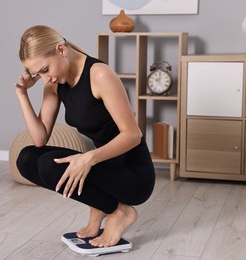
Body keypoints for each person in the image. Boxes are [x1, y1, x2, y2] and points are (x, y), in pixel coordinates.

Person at [15, 25, 155, 248]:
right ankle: (101, 208)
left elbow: (133, 135)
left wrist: (88, 158)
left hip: (133, 174)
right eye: (37, 74)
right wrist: (22, 94)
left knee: (50, 166)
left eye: (44, 69)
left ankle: (120, 212)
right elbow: (39, 139)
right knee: (27, 158)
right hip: (104, 168)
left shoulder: (99, 74)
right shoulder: (55, 83)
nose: (44, 79)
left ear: (61, 50)